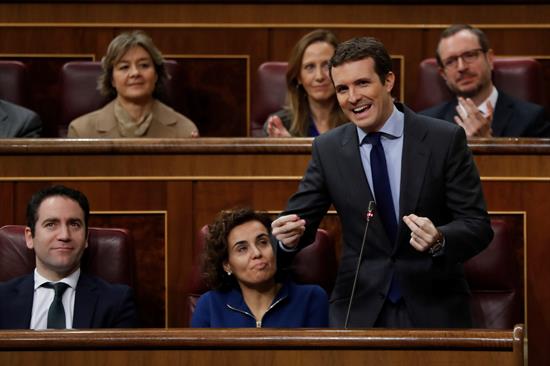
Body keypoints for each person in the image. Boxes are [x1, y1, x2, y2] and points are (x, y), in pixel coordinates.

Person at [272, 37, 493, 328]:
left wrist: (440, 238)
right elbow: (298, 222)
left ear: (388, 81)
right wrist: (287, 239)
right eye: (342, 89)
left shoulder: (443, 139)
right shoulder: (328, 149)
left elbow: (477, 226)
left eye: (362, 83)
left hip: (434, 305)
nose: (352, 97)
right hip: (358, 307)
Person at [0, 185, 139, 329]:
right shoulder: (2, 299)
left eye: (74, 224)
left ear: (86, 238)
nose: (64, 236)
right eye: (51, 224)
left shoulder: (116, 301)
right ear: (30, 237)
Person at [191, 208, 328, 328]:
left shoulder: (312, 298)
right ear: (227, 265)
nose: (257, 253)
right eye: (242, 249)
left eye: (263, 242)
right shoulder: (209, 305)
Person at [421, 24, 550, 137]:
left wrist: (488, 145)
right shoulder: (427, 123)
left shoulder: (532, 119)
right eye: (451, 61)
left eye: (470, 55)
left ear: (489, 58)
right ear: (443, 74)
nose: (461, 67)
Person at [68, 30, 198, 138]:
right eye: (124, 67)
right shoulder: (81, 131)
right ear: (112, 79)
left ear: (156, 75)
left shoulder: (185, 130)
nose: (135, 73)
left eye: (144, 65)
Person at [264, 29, 347, 137]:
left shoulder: (358, 119)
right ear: (298, 77)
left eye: (327, 65)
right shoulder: (279, 125)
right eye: (310, 67)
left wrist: (294, 148)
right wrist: (284, 149)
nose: (319, 76)